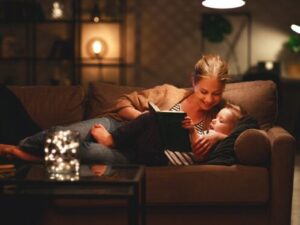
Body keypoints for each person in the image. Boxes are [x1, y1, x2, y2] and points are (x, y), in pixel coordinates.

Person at [0, 54, 231, 164]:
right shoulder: (169, 93)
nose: (210, 99)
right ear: (193, 82)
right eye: (203, 91)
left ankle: (21, 154)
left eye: (216, 93)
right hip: (118, 127)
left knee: (84, 152)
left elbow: (248, 126)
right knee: (63, 132)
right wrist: (142, 118)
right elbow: (122, 103)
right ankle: (23, 147)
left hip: (136, 153)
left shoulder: (221, 115)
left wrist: (218, 135)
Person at [90, 103, 252, 166]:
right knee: (152, 119)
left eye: (221, 121)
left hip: (161, 160)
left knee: (150, 118)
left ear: (232, 131)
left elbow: (199, 154)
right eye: (216, 117)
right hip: (158, 152)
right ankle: (116, 140)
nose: (215, 121)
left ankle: (111, 140)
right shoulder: (211, 135)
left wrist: (193, 131)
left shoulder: (216, 141)